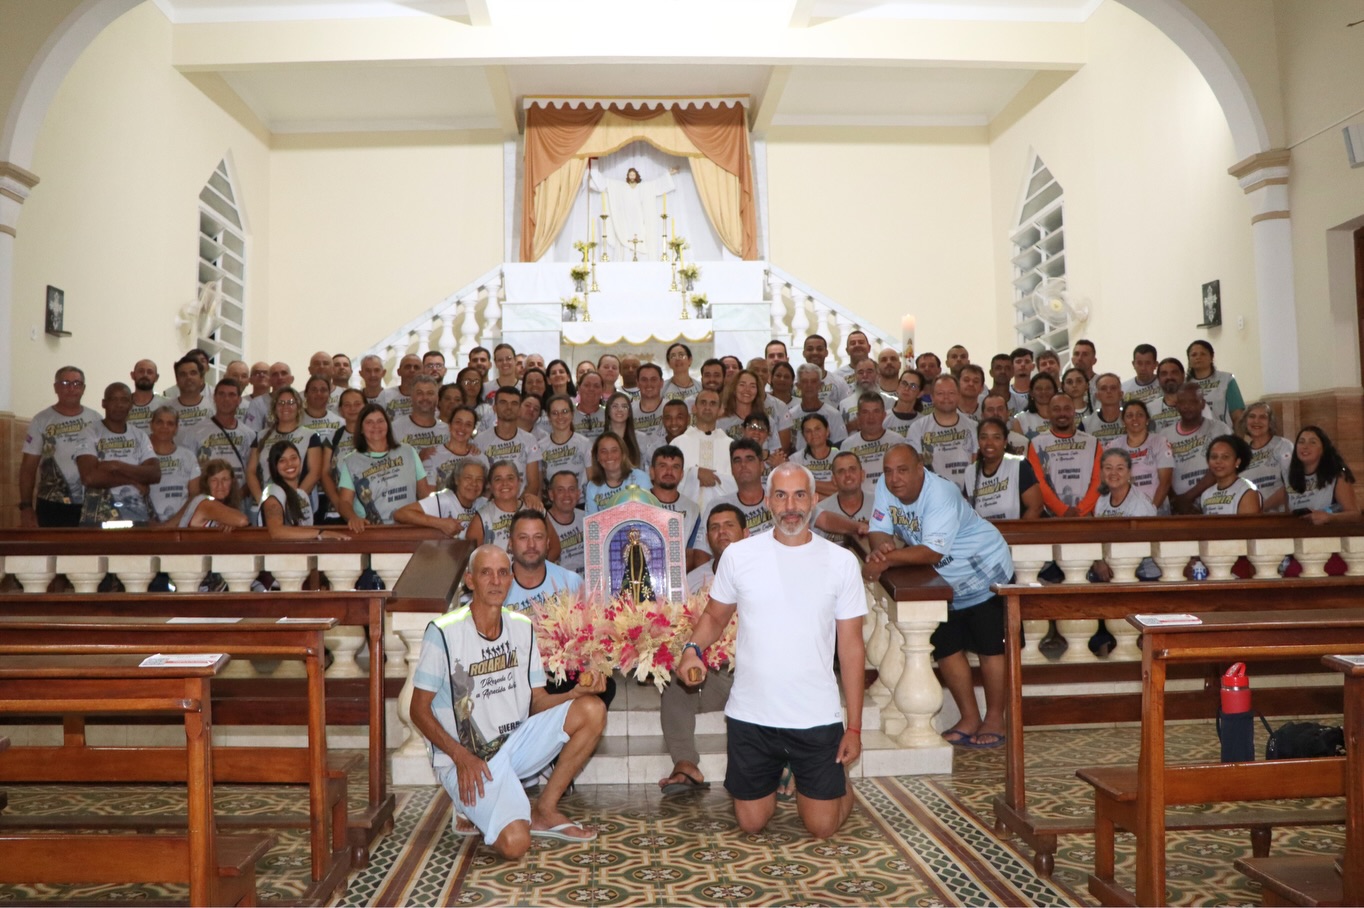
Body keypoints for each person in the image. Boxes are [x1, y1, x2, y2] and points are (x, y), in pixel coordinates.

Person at [679, 463, 866, 839]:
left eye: (799, 495)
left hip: (815, 715)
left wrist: (855, 727)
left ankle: (835, 783)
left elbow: (851, 648)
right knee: (751, 822)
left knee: (822, 827)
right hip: (752, 715)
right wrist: (691, 649)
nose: (790, 506)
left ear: (814, 500)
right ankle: (795, 775)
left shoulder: (842, 562)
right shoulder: (739, 555)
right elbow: (715, 616)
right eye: (781, 496)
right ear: (767, 502)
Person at [410, 544, 606, 857]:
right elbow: (418, 711)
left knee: (592, 710)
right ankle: (472, 805)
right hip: (468, 760)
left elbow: (537, 701)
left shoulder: (522, 627)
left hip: (515, 744)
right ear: (470, 580)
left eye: (503, 573)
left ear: (511, 579)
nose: (496, 581)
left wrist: (574, 695)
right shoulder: (444, 632)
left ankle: (544, 810)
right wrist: (461, 757)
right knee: (515, 844)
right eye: (486, 573)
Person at [865, 445, 1014, 749]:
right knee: (947, 648)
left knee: (990, 648)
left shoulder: (941, 494)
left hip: (985, 572)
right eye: (888, 471)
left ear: (920, 469)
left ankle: (995, 718)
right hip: (942, 582)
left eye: (902, 470)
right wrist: (881, 548)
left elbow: (931, 552)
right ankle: (969, 718)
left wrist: (887, 560)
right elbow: (878, 528)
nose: (894, 478)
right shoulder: (885, 486)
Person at [658, 503, 747, 797]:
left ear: (746, 533)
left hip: (757, 672)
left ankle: (784, 765)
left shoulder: (766, 573)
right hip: (714, 675)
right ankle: (686, 765)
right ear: (707, 538)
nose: (722, 532)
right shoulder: (694, 579)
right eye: (714, 527)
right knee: (674, 684)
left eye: (729, 525)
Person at [18, 365, 101, 527]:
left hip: (91, 502)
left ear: (83, 388)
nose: (71, 388)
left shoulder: (96, 419)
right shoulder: (41, 420)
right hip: (52, 503)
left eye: (76, 383)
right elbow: (28, 468)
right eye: (65, 383)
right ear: (56, 387)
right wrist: (26, 507)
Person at [74, 382, 160, 526]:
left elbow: (155, 473)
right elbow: (89, 477)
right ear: (104, 403)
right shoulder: (89, 432)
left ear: (131, 404)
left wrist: (116, 465)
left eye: (124, 400)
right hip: (98, 516)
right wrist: (133, 480)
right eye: (113, 399)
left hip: (137, 515)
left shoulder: (140, 435)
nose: (119, 405)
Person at [336, 403, 432, 530]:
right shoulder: (351, 461)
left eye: (380, 421)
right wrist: (353, 518)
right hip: (373, 531)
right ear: (361, 429)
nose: (376, 426)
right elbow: (344, 502)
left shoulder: (408, 451)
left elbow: (424, 493)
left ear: (388, 425)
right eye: (369, 422)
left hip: (410, 527)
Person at [695, 438, 774, 564]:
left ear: (761, 466)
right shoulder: (717, 506)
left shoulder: (779, 499)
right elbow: (701, 553)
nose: (743, 465)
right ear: (732, 469)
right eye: (737, 460)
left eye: (749, 459)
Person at [1025, 394, 1103, 517]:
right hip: (1050, 517)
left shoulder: (1092, 443)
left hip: (1086, 516)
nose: (1062, 413)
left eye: (1067, 408)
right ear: (1048, 412)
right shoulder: (1036, 443)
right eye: (1056, 409)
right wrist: (1062, 510)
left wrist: (1080, 510)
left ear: (1074, 411)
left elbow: (1098, 480)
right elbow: (1038, 483)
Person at [246, 386, 323, 509]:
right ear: (274, 407)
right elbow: (250, 471)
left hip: (300, 505)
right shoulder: (261, 436)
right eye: (281, 403)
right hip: (269, 504)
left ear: (298, 406)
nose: (285, 406)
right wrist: (262, 501)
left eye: (290, 402)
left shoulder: (310, 436)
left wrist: (294, 500)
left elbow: (315, 473)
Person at [1161, 382, 1231, 514]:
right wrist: (1177, 501)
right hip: (1179, 509)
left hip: (1216, 503)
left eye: (1193, 401)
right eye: (1182, 402)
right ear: (1176, 405)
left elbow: (1222, 467)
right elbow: (1162, 474)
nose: (1187, 406)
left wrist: (1187, 498)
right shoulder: (1164, 435)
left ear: (1203, 404)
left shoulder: (1220, 429)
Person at [259, 440, 351, 540]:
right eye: (282, 461)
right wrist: (320, 533)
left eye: (293, 458)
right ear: (274, 466)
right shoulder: (273, 494)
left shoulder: (301, 494)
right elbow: (277, 532)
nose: (289, 464)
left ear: (300, 460)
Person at [1266, 426, 1360, 522]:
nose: (1305, 446)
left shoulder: (1337, 476)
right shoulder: (1288, 476)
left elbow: (1355, 514)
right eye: (1301, 442)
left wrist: (1329, 517)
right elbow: (1287, 511)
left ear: (1323, 448)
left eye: (1312, 442)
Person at [904, 374, 978, 492]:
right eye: (940, 393)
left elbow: (976, 464)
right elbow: (914, 468)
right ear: (932, 397)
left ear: (959, 395)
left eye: (951, 393)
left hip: (967, 494)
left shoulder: (973, 426)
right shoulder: (917, 428)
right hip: (932, 494)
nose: (946, 397)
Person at [504, 509, 583, 612]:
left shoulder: (571, 583)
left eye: (538, 537)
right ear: (510, 543)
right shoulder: (498, 587)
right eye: (523, 537)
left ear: (547, 542)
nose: (531, 545)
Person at [963, 418, 1043, 520]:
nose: (989, 443)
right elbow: (968, 514)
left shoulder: (1018, 465)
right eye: (984, 437)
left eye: (996, 438)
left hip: (1015, 529)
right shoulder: (970, 472)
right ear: (978, 441)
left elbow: (1036, 507)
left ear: (1005, 442)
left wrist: (1015, 530)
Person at [189, 378, 255, 493]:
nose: (226, 399)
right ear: (214, 397)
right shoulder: (196, 432)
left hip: (240, 497)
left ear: (239, 400)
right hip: (207, 497)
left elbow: (252, 471)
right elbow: (190, 470)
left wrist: (239, 495)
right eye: (221, 394)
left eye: (231, 395)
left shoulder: (249, 434)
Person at [480, 387, 543, 505]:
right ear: (494, 407)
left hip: (521, 507)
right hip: (490, 507)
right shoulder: (480, 440)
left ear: (519, 409)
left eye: (514, 403)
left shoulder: (530, 440)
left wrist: (517, 507)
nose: (509, 407)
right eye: (503, 402)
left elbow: (533, 483)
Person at [1109, 399, 1174, 512]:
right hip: (1125, 511)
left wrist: (1151, 510)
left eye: (1140, 415)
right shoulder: (1114, 446)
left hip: (1156, 509)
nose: (1135, 418)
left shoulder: (1160, 442)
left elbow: (1165, 482)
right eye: (1129, 415)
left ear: (1147, 419)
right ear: (1123, 421)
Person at [318, 388, 368, 524]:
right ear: (340, 410)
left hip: (369, 508)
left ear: (365, 406)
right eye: (347, 405)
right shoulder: (333, 437)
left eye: (357, 404)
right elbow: (325, 473)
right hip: (338, 511)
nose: (352, 408)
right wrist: (338, 503)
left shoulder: (375, 434)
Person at [147, 405, 200, 524]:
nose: (164, 427)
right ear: (151, 425)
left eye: (170, 423)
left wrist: (173, 523)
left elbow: (195, 495)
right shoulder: (141, 456)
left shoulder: (188, 456)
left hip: (182, 524)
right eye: (160, 422)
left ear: (176, 429)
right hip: (148, 526)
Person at [837, 393, 906, 484]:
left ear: (884, 415)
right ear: (858, 416)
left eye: (876, 411)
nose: (871, 417)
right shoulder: (847, 445)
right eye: (865, 412)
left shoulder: (898, 441)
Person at [392, 374, 450, 474]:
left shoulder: (447, 430)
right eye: (419, 393)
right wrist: (419, 458)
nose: (425, 398)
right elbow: (389, 468)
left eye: (430, 393)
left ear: (437, 398)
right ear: (411, 397)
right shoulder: (395, 428)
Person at [1240, 401, 1292, 509]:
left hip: (1279, 515)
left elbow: (1291, 484)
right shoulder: (1242, 454)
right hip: (1251, 515)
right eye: (1252, 416)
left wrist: (1261, 510)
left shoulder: (1283, 445)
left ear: (1270, 422)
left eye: (1263, 417)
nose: (1256, 421)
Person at [583, 431, 652, 513]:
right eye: (603, 451)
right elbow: (591, 519)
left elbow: (649, 513)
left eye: (614, 450)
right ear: (597, 456)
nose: (609, 456)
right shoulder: (592, 486)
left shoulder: (641, 478)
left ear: (623, 453)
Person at [813, 451, 874, 542]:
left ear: (862, 474)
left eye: (852, 469)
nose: (847, 475)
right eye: (841, 471)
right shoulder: (821, 510)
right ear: (834, 480)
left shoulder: (879, 505)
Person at [468, 461, 530, 550]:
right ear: (490, 485)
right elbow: (472, 556)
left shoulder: (534, 508)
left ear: (519, 482)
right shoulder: (481, 518)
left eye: (510, 478)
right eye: (498, 479)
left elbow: (551, 548)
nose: (505, 483)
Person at [173, 458, 251, 529]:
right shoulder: (204, 501)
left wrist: (231, 523)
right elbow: (242, 520)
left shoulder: (222, 502)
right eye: (214, 480)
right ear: (206, 483)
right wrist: (234, 521)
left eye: (225, 479)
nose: (220, 485)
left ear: (232, 482)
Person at [426, 405, 489, 492]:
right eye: (458, 422)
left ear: (473, 429)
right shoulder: (433, 455)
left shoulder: (480, 458)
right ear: (449, 425)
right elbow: (428, 494)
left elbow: (486, 490)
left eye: (468, 424)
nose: (462, 428)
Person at [1186, 339, 1245, 428]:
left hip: (1223, 433)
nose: (1198, 357)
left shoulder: (1226, 379)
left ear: (1211, 357)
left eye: (1203, 354)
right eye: (1194, 355)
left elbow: (1238, 416)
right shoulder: (1184, 385)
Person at [1198, 434, 1262, 515]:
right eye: (1214, 457)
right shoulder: (1206, 495)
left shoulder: (1247, 492)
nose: (1218, 461)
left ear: (1237, 462)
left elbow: (1250, 523)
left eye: (1225, 457)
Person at [789, 364, 847, 451]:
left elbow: (840, 446)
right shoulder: (791, 415)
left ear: (821, 385)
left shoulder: (833, 414)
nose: (809, 386)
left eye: (813, 381)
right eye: (804, 381)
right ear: (798, 386)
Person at [545, 471, 585, 574]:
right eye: (560, 490)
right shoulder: (543, 523)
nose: (567, 495)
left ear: (578, 493)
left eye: (571, 489)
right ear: (551, 494)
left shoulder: (587, 518)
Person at [168, 356, 214, 445]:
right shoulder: (166, 409)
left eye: (193, 373)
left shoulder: (214, 407)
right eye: (183, 374)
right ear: (177, 380)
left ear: (201, 379)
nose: (188, 377)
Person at [794, 413, 839, 498]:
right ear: (803, 435)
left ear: (827, 431)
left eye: (817, 429)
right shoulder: (795, 459)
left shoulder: (839, 456)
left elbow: (840, 488)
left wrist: (805, 482)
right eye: (808, 431)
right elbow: (797, 491)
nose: (813, 433)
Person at [801, 334, 852, 407]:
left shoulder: (839, 382)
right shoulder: (794, 384)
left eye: (819, 349)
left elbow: (848, 408)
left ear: (826, 353)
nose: (815, 352)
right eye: (810, 349)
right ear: (804, 353)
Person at [1011, 372, 1056, 441]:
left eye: (1048, 388)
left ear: (1055, 391)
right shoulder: (1020, 420)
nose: (1043, 391)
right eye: (1039, 389)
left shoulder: (1064, 416)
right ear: (1031, 393)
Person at [1083, 373, 1125, 444]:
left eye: (1113, 388)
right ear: (1097, 396)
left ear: (1121, 394)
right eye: (1103, 388)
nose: (1109, 391)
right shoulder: (1086, 423)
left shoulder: (1133, 419)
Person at [127, 359, 167, 433]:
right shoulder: (123, 404)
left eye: (150, 372)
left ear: (156, 377)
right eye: (141, 371)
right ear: (133, 375)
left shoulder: (166, 404)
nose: (145, 375)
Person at [603, 391, 643, 466]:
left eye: (624, 406)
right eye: (615, 406)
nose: (620, 409)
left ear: (629, 412)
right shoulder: (601, 440)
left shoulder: (641, 438)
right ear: (608, 411)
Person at [380, 354, 423, 421]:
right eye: (408, 367)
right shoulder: (385, 395)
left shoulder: (428, 396)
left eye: (416, 367)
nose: (412, 370)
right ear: (399, 371)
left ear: (422, 373)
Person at [1121, 344, 1162, 412]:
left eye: (1148, 363)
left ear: (1155, 364)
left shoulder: (1165, 385)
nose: (1143, 368)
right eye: (1139, 363)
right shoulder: (1123, 389)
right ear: (1133, 364)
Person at [882, 369, 923, 436]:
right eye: (904, 383)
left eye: (913, 386)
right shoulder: (883, 418)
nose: (907, 389)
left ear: (920, 393)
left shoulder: (923, 422)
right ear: (897, 387)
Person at [1008, 347, 1035, 413]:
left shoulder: (1039, 392)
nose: (1023, 364)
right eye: (1018, 362)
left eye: (1027, 362)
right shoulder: (1007, 393)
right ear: (1011, 366)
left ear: (1033, 366)